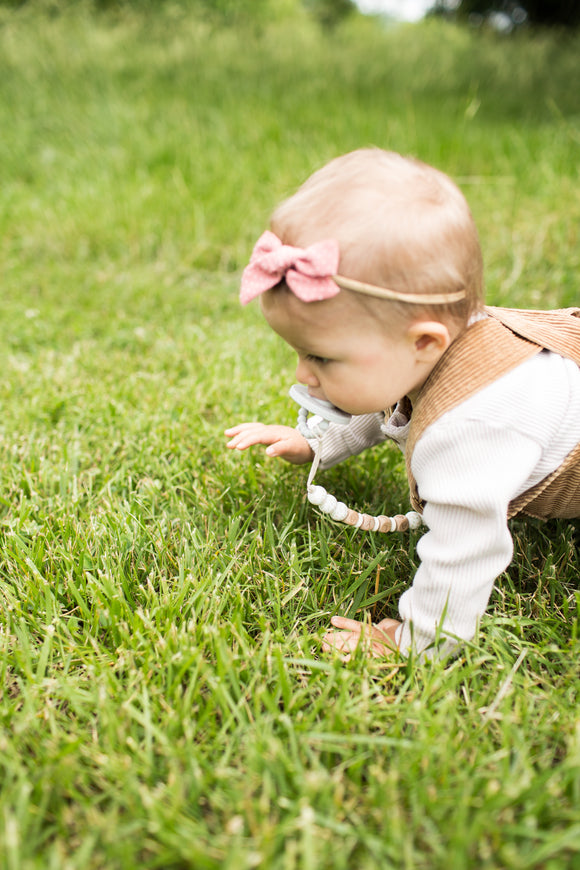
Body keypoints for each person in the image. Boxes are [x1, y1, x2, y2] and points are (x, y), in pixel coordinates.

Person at [225, 148, 580, 659]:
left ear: (423, 343)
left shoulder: (470, 429)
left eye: (320, 357)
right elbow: (387, 405)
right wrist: (316, 440)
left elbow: (465, 551)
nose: (303, 374)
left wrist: (415, 642)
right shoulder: (434, 348)